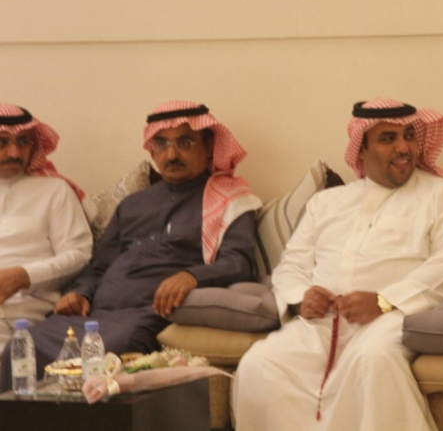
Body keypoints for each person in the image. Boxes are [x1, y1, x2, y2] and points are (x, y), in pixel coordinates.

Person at [233, 97, 443, 431]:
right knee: (260, 364)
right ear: (361, 150)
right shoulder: (327, 202)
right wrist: (299, 298)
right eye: (388, 139)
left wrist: (384, 301)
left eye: (409, 136)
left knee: (372, 358)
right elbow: (292, 263)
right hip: (322, 324)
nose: (403, 148)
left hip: (398, 318)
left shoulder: (442, 195)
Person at [0, 100, 261, 390]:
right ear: (151, 149)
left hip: (146, 313)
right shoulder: (133, 204)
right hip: (95, 314)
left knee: (112, 351)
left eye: (185, 143)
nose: (172, 154)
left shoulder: (230, 198)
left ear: (209, 146)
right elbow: (98, 266)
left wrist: (192, 276)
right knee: (23, 346)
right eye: (161, 144)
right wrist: (80, 293)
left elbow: (239, 262)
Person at [0, 104, 92, 351]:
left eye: (23, 141)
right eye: (2, 142)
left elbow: (79, 254)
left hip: (24, 316)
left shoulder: (54, 191)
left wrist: (24, 276)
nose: (14, 152)